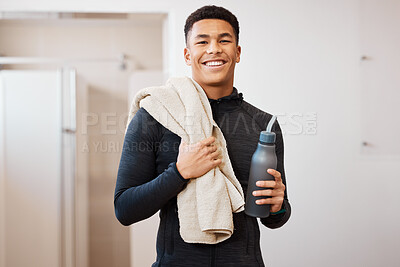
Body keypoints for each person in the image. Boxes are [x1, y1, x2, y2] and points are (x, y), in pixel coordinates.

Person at [114, 5, 291, 267]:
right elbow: (125, 209)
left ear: (237, 52)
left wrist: (278, 206)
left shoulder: (263, 126)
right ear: (188, 55)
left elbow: (274, 218)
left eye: (224, 40)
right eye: (203, 41)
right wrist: (179, 173)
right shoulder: (156, 115)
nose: (214, 49)